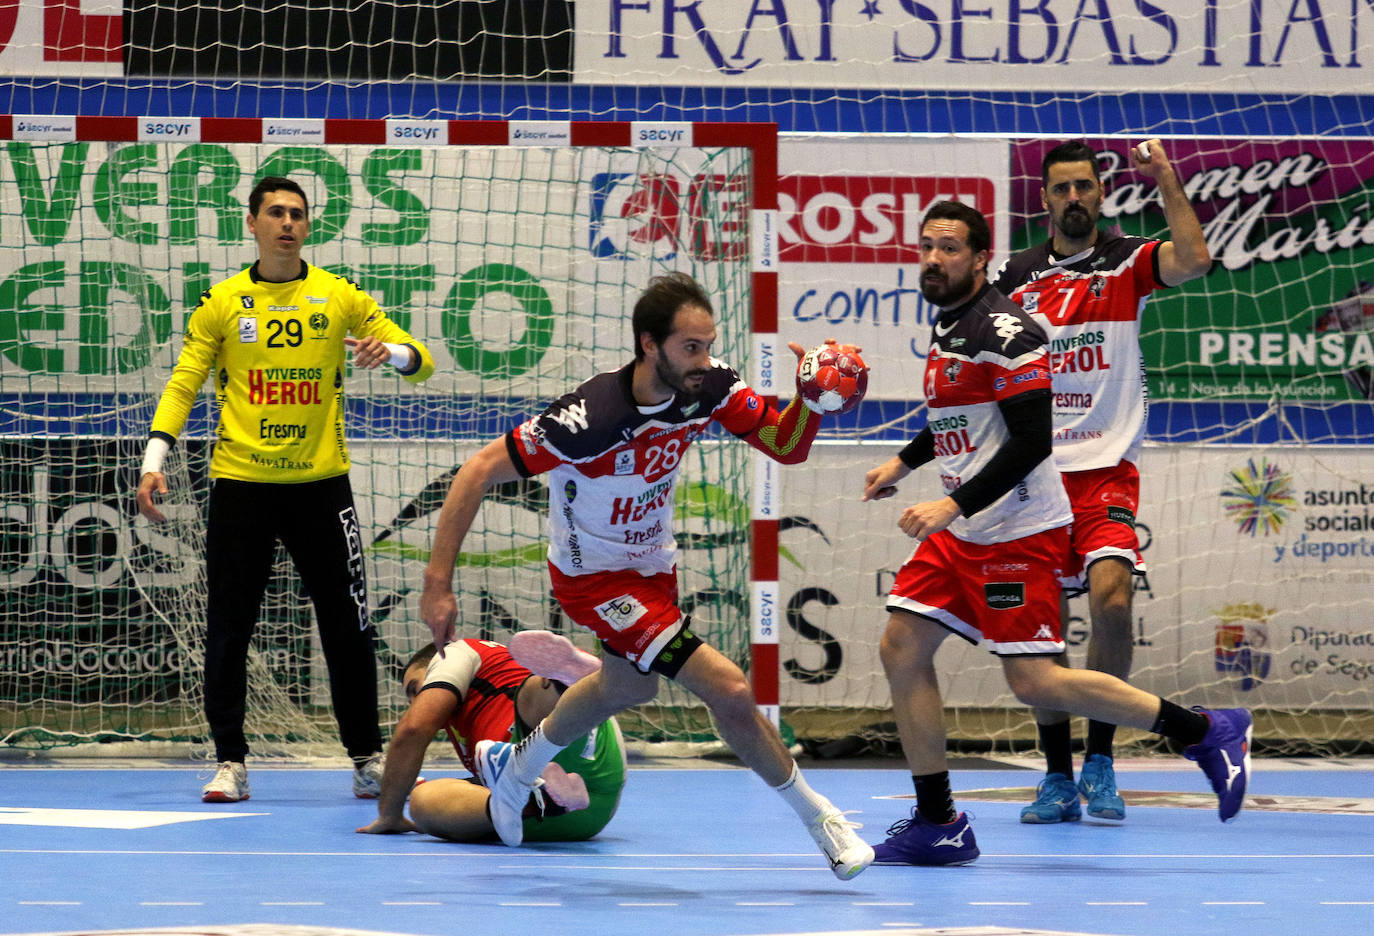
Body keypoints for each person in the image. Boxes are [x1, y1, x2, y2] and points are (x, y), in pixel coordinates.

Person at [420, 271, 874, 880]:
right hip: (594, 580)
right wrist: (438, 581)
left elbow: (784, 443)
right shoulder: (590, 418)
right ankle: (823, 822)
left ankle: (518, 766)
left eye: (708, 344)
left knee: (627, 689)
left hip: (652, 566)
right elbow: (477, 471)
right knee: (731, 688)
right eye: (690, 346)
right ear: (649, 344)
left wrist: (810, 403)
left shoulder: (706, 386)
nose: (704, 359)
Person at [862, 201, 1249, 867]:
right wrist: (904, 462)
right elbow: (964, 420)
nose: (934, 259)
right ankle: (938, 822)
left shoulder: (1009, 333)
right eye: (927, 246)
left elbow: (1031, 440)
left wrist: (948, 508)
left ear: (982, 259)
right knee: (901, 646)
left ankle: (1205, 731)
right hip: (969, 530)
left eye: (950, 248)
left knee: (1036, 683)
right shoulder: (951, 323)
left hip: (1014, 531)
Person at [136, 176, 436, 803]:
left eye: (297, 214)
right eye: (274, 213)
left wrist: (395, 354)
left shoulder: (338, 295)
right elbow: (184, 383)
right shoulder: (221, 302)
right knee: (228, 628)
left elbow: (420, 357)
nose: (287, 223)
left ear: (308, 226)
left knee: (348, 626)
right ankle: (230, 763)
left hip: (321, 489)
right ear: (251, 223)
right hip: (242, 487)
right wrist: (154, 457)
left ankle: (364, 758)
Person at [990, 140, 1213, 823]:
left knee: (1112, 601)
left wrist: (1168, 178)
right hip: (1032, 473)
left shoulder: (1127, 261)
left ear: (1101, 194)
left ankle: (1102, 760)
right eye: (1062, 189)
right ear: (1046, 199)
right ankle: (1056, 775)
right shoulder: (1012, 277)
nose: (1075, 198)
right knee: (1041, 628)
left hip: (1106, 472)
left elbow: (1197, 260)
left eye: (1085, 186)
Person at [357, 631, 625, 842]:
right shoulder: (463, 728)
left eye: (416, 688)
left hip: (576, 736)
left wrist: (389, 815)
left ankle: (563, 683)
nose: (417, 700)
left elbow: (414, 728)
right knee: (423, 800)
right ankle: (539, 799)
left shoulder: (454, 652)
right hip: (582, 816)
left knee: (528, 696)